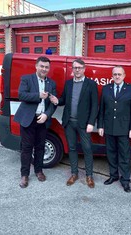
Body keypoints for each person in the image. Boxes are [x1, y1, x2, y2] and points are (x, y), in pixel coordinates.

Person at [50, 59, 98, 188]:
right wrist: (56, 101)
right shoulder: (68, 84)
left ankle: (89, 175)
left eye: (79, 67)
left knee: (87, 149)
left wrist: (91, 123)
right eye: (75, 67)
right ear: (72, 69)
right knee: (71, 148)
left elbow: (95, 106)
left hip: (84, 124)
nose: (77, 70)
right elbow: (63, 100)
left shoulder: (91, 84)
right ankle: (74, 173)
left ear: (84, 68)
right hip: (69, 122)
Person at [14, 56, 57, 188]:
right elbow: (21, 95)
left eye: (47, 67)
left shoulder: (51, 83)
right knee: (26, 148)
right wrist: (38, 95)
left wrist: (46, 115)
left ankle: (39, 171)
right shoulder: (27, 79)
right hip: (28, 118)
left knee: (40, 147)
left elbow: (53, 103)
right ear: (36, 66)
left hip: (42, 119)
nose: (44, 69)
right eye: (42, 66)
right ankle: (24, 175)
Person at [97, 66, 131, 193]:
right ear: (112, 76)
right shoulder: (106, 89)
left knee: (124, 155)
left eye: (119, 74)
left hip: (124, 129)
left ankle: (125, 180)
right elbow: (102, 109)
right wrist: (100, 126)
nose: (117, 76)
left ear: (124, 75)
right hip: (109, 128)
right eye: (115, 74)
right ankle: (113, 175)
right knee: (111, 153)